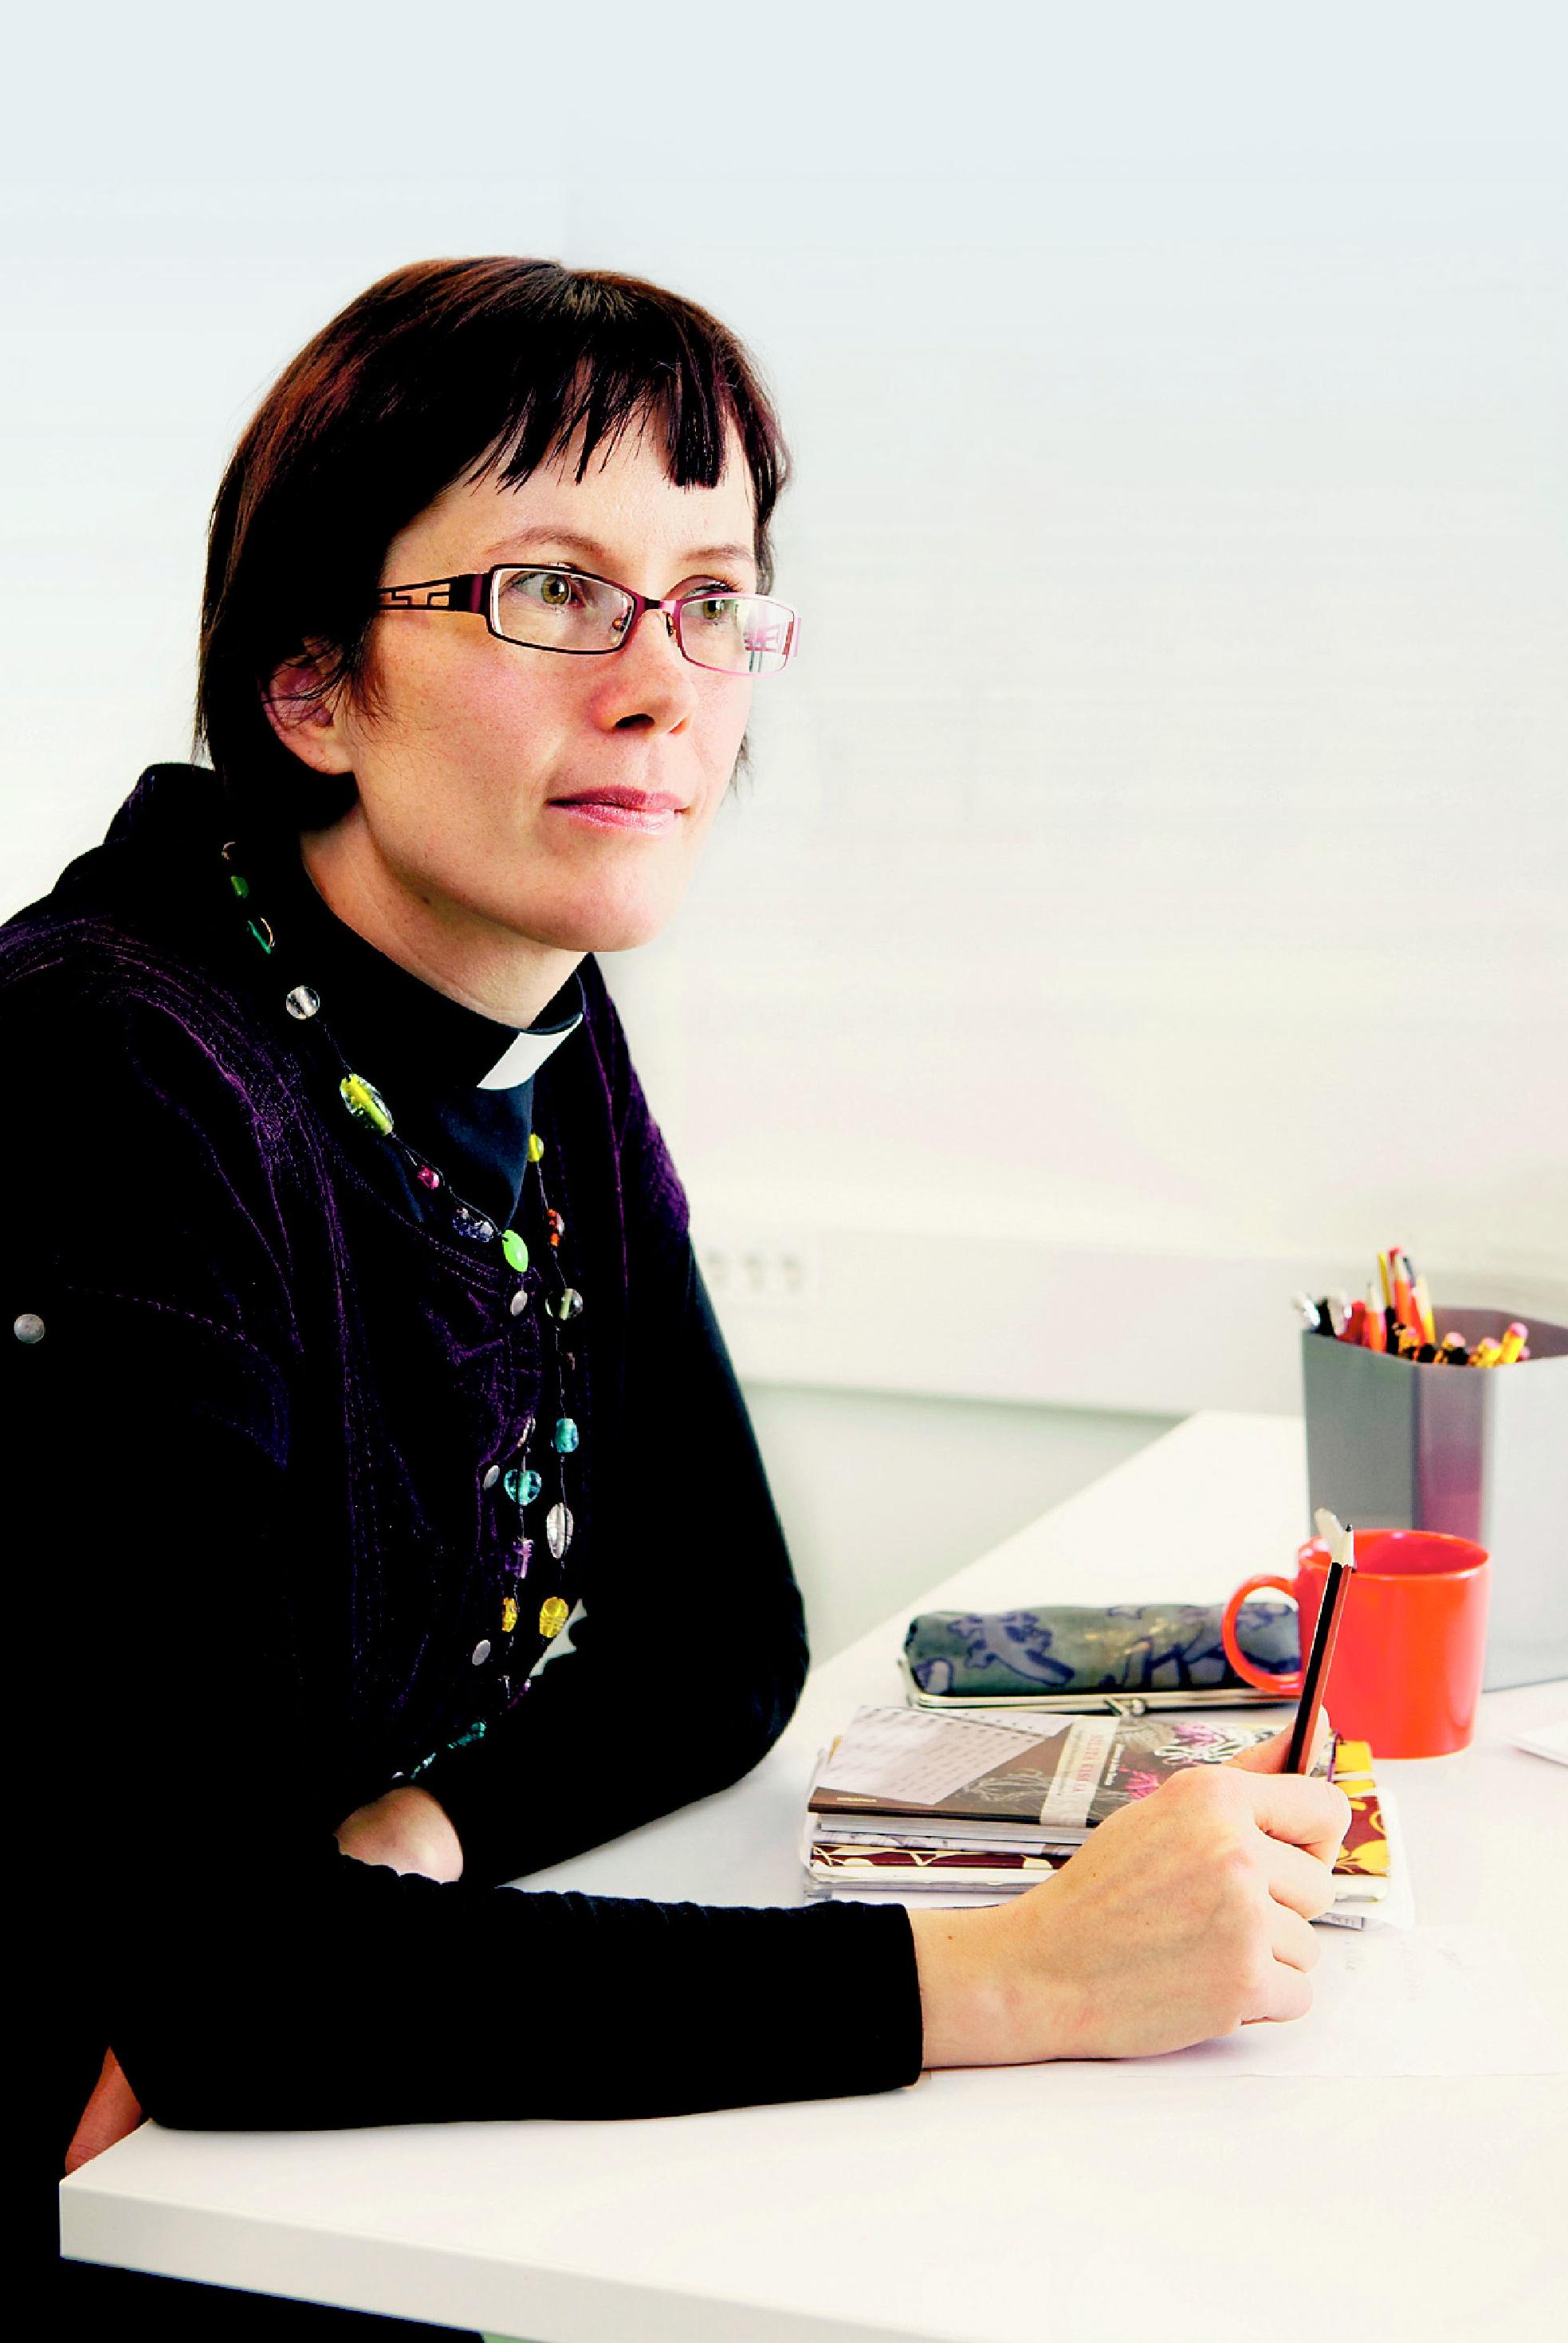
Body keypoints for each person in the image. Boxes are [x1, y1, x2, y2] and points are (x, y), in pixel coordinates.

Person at [10, 257, 1350, 2338]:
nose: (661, 689)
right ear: (313, 687)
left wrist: (420, 1836)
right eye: (552, 592)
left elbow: (716, 1638)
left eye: (711, 601)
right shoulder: (111, 1074)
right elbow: (235, 1993)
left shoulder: (521, 1002)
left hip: (248, 2138)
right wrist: (1015, 1975)